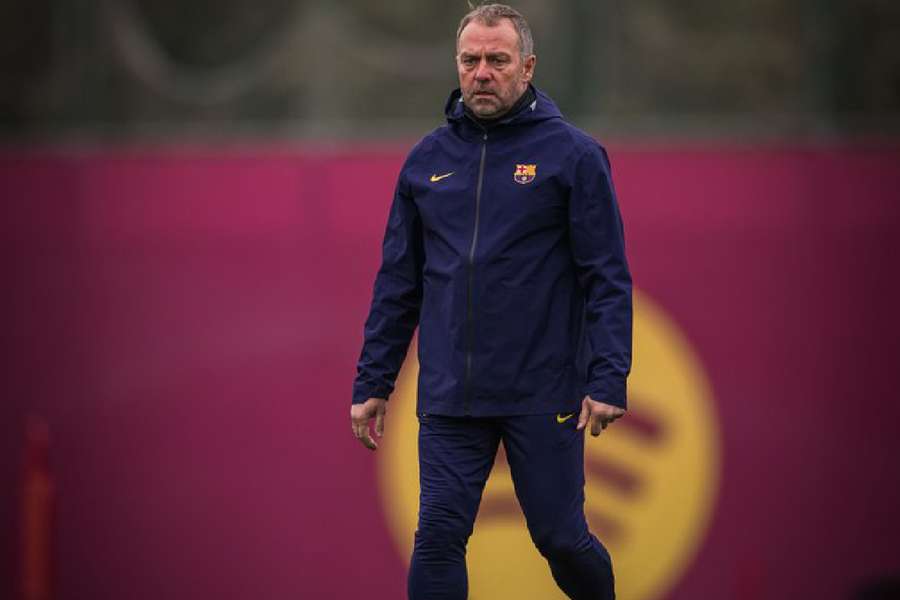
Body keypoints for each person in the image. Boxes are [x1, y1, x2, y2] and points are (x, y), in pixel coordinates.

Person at [350, 4, 631, 599]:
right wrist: (373, 380)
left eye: (497, 60)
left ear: (527, 67)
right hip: (452, 392)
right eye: (470, 59)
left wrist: (608, 377)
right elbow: (399, 282)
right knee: (437, 538)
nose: (482, 72)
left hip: (542, 388)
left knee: (559, 537)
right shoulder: (425, 162)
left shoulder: (574, 157)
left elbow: (605, 277)